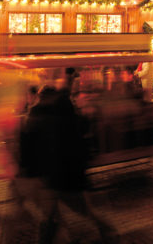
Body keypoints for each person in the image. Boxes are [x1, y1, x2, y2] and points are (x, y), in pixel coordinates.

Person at [19, 84, 118, 243]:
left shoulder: (39, 118)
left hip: (56, 177)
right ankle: (108, 232)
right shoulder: (64, 115)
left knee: (60, 214)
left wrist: (29, 172)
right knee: (57, 215)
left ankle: (108, 232)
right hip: (62, 176)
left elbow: (32, 149)